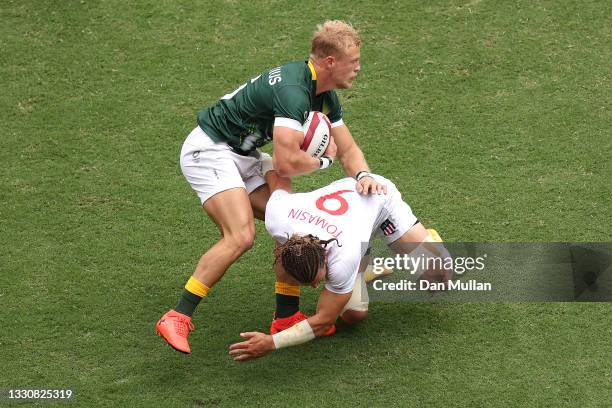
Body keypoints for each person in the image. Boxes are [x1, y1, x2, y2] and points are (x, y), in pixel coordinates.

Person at [156, 20, 386, 354]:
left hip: (243, 154)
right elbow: (285, 164)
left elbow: (348, 149)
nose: (359, 68)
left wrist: (363, 175)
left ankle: (286, 318)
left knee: (294, 223)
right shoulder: (294, 92)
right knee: (241, 236)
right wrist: (324, 161)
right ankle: (177, 315)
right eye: (354, 62)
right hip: (210, 151)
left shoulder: (324, 96)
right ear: (330, 62)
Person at [228, 170, 453, 362]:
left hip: (380, 202)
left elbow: (323, 321)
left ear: (326, 258)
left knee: (440, 279)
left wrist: (270, 343)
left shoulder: (343, 257)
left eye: (318, 279)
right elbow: (278, 177)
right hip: (352, 226)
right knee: (353, 316)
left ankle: (429, 243)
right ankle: (365, 268)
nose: (317, 287)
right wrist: (265, 158)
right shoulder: (279, 216)